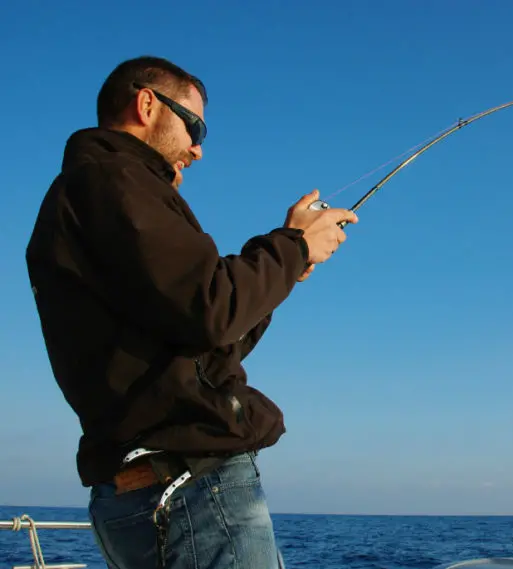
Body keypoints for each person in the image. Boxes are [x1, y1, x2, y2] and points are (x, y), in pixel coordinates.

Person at [25, 55, 357, 569]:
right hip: (192, 492)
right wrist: (292, 246)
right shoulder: (113, 180)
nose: (198, 149)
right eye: (193, 126)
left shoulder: (95, 192)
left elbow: (209, 340)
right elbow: (211, 308)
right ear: (146, 104)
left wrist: (285, 268)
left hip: (143, 494)